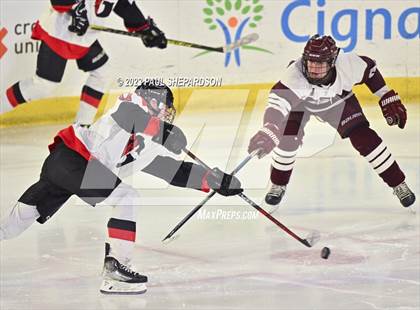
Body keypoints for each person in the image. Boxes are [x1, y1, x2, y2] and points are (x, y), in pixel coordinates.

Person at [0, 82, 243, 294]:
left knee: (12, 226)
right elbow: (130, 115)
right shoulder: (131, 105)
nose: (168, 115)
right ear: (154, 103)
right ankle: (116, 267)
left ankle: (115, 265)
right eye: (166, 108)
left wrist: (212, 179)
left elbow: (171, 170)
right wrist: (162, 132)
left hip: (67, 165)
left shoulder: (148, 141)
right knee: (126, 196)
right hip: (74, 159)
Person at [248, 34, 415, 213]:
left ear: (333, 61)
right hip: (301, 104)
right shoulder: (294, 75)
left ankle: (399, 184)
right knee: (287, 139)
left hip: (336, 100)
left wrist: (385, 95)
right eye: (310, 63)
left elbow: (370, 70)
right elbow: (277, 103)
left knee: (365, 138)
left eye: (320, 64)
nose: (313, 69)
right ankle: (278, 184)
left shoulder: (349, 65)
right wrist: (270, 128)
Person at [1, 0, 167, 126]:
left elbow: (124, 5)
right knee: (43, 86)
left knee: (103, 71)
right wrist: (74, 7)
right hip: (58, 35)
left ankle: (81, 128)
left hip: (84, 39)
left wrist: (145, 28)